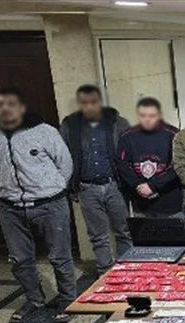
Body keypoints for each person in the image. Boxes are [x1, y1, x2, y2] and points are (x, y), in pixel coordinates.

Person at [0, 86, 74, 323]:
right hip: (10, 208)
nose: (5, 109)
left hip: (50, 204)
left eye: (11, 103)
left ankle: (68, 299)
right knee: (20, 259)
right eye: (0, 104)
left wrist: (52, 189)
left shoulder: (45, 131)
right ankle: (34, 299)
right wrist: (6, 190)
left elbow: (65, 164)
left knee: (59, 256)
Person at [59, 84, 132, 274]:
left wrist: (131, 183)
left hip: (115, 186)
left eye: (93, 102)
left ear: (100, 102)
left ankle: (127, 271)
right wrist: (70, 186)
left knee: (124, 231)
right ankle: (105, 274)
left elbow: (130, 152)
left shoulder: (117, 122)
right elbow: (62, 157)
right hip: (87, 188)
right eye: (84, 103)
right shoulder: (69, 125)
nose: (89, 106)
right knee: (98, 236)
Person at [115, 97, 183, 218]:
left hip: (170, 203)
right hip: (141, 204)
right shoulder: (127, 136)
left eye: (152, 115)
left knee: (173, 231)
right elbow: (122, 164)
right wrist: (138, 185)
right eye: (143, 115)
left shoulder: (174, 135)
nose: (147, 119)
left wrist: (153, 186)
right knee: (144, 230)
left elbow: (180, 165)